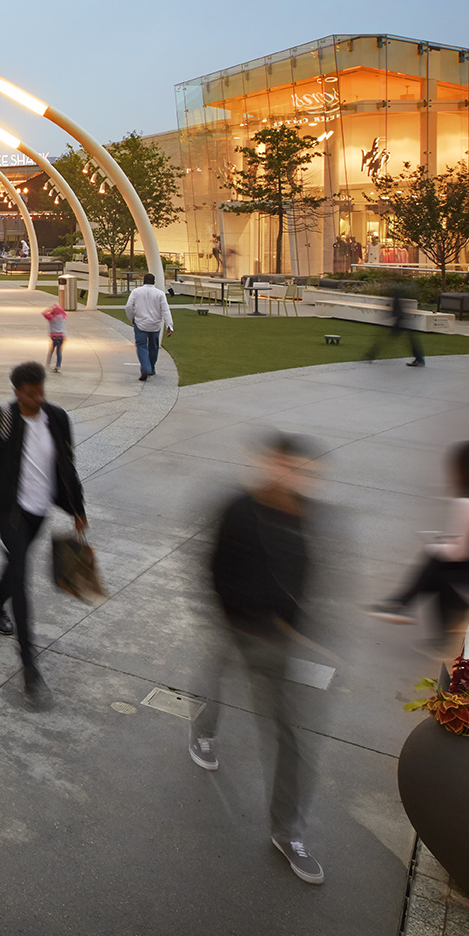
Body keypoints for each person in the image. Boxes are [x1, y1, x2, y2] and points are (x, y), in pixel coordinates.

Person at [188, 432, 326, 886]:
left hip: (275, 638)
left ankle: (288, 831)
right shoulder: (238, 508)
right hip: (235, 623)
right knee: (215, 675)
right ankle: (202, 731)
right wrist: (233, 613)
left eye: (298, 469)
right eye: (281, 465)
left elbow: (304, 573)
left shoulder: (304, 515)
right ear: (267, 463)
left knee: (290, 732)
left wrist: (296, 625)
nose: (289, 476)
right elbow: (212, 566)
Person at [0, 360, 86, 709]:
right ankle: (29, 665)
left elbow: (67, 466)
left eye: (41, 391)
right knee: (21, 575)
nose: (38, 398)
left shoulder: (58, 419)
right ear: (17, 391)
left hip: (39, 511)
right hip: (9, 511)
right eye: (31, 393)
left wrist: (78, 510)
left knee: (15, 563)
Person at [367, 440, 469, 657]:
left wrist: (440, 545)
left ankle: (411, 612)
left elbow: (463, 552)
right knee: (440, 560)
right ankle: (402, 603)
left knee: (440, 571)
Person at [362, 282, 426, 367]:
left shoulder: (396, 299)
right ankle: (419, 359)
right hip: (402, 322)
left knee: (386, 339)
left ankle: (370, 355)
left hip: (400, 322)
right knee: (410, 340)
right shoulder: (398, 298)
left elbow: (396, 311)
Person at [125, 272, 171, 382]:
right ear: (154, 282)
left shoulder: (136, 292)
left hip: (140, 324)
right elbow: (165, 310)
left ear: (143, 281)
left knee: (141, 346)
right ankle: (151, 367)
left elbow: (128, 306)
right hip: (155, 324)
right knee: (153, 347)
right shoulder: (160, 294)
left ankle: (145, 367)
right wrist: (169, 325)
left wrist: (132, 318)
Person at [41, 300, 67, 371]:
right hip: (61, 336)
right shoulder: (62, 317)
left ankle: (48, 362)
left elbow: (43, 313)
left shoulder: (51, 318)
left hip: (54, 336)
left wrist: (50, 308)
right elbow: (63, 313)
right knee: (58, 351)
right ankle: (58, 366)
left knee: (51, 349)